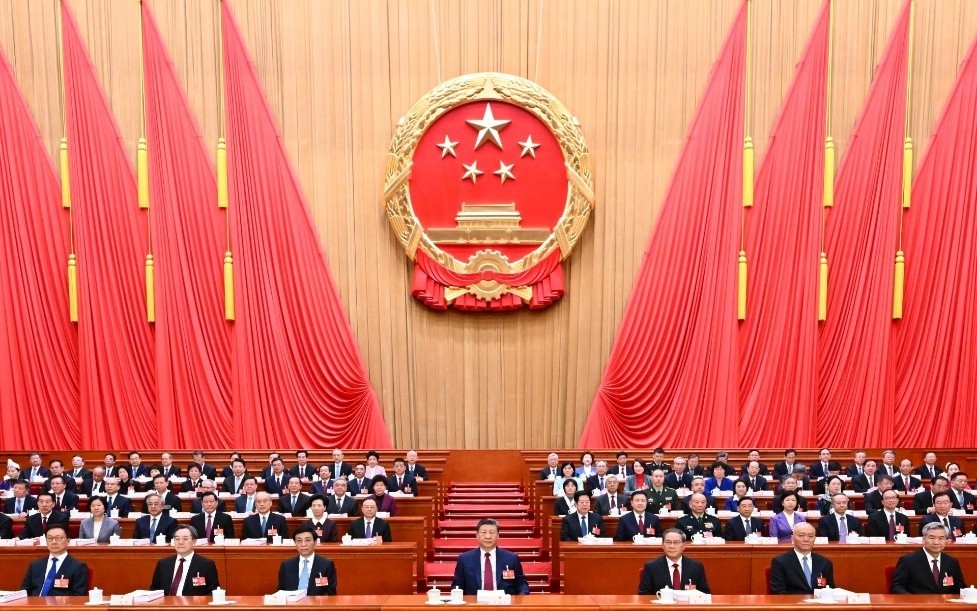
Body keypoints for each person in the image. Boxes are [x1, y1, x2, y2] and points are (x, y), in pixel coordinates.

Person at [451, 518, 530, 595]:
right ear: (477, 535)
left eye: (492, 532)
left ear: (498, 536)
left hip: (505, 605)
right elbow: (457, 586)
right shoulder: (464, 559)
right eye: (483, 532)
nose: (487, 536)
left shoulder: (511, 558)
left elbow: (521, 584)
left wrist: (520, 598)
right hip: (474, 605)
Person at [891, 522, 967, 593]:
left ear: (946, 540)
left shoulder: (952, 562)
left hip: (945, 605)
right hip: (919, 605)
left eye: (941, 538)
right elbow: (897, 586)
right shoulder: (908, 560)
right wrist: (913, 601)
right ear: (923, 539)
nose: (936, 542)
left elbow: (960, 587)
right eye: (932, 538)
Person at [149, 525, 220, 595]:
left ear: (194, 542)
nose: (180, 542)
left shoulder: (206, 564)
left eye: (185, 539)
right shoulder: (163, 564)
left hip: (193, 605)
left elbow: (213, 592)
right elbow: (154, 590)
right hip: (167, 605)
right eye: (177, 539)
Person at [637, 528, 710, 594]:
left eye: (676, 542)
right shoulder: (651, 567)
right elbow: (643, 595)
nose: (672, 546)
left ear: (684, 546)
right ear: (662, 545)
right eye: (668, 542)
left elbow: (705, 594)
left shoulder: (696, 567)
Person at [20, 525, 88, 596]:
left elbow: (78, 596)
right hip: (34, 605)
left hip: (60, 606)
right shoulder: (35, 565)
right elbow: (24, 591)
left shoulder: (78, 566)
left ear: (68, 541)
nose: (54, 542)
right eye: (50, 538)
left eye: (58, 538)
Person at [770, 522, 834, 594]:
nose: (806, 539)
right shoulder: (780, 562)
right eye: (801, 535)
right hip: (793, 603)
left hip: (818, 604)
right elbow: (778, 592)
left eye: (810, 536)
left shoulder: (825, 563)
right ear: (792, 538)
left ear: (815, 539)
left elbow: (830, 589)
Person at [278, 527, 337, 595]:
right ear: (295, 543)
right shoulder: (286, 565)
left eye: (307, 540)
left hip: (317, 604)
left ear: (315, 542)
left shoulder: (326, 564)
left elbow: (331, 592)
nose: (303, 544)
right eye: (299, 541)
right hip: (292, 604)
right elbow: (281, 591)